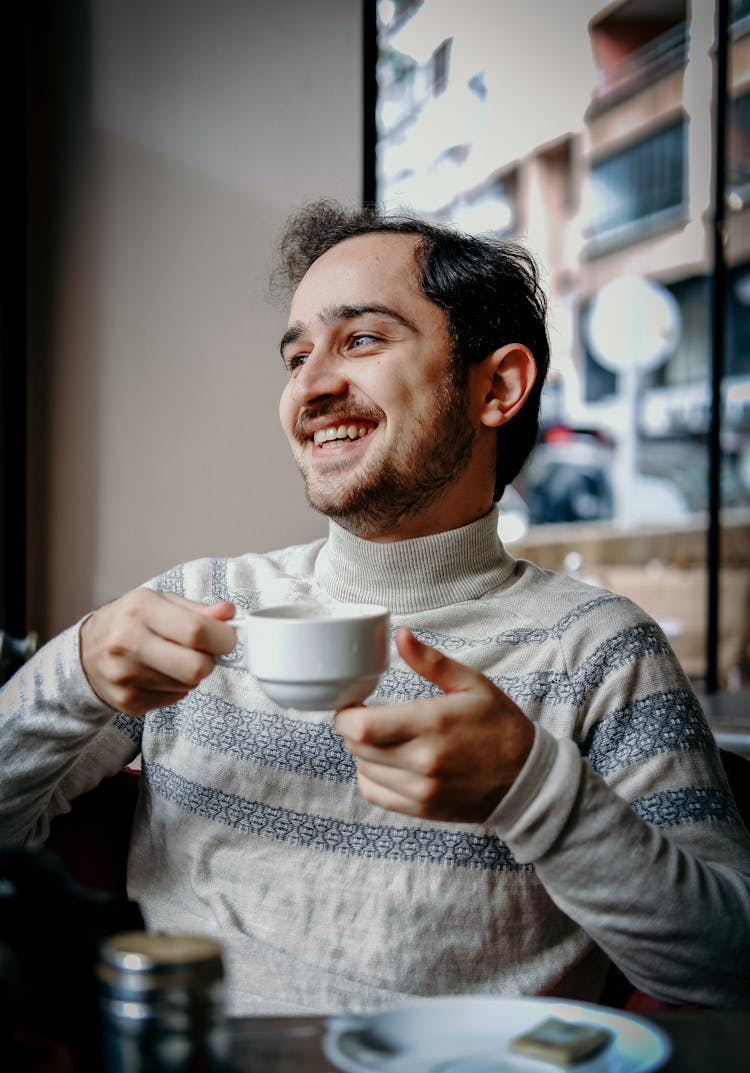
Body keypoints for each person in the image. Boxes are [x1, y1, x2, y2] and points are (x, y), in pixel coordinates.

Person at [2, 201, 749, 1015]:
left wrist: (533, 788)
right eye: (296, 357)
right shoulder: (197, 608)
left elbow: (727, 966)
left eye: (360, 339)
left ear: (497, 385)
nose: (311, 387)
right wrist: (73, 669)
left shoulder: (601, 651)